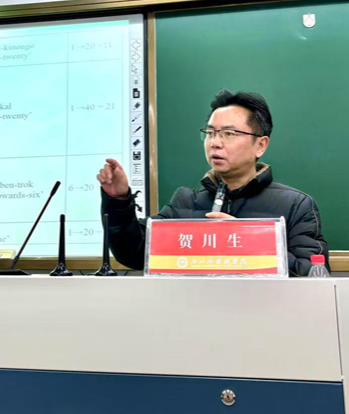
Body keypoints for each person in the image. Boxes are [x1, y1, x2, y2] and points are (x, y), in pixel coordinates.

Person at [98, 89, 329, 276]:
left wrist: (248, 239)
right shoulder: (185, 202)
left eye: (229, 134)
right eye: (210, 133)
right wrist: (118, 199)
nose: (215, 143)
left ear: (260, 145)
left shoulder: (295, 205)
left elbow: (312, 273)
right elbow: (135, 254)